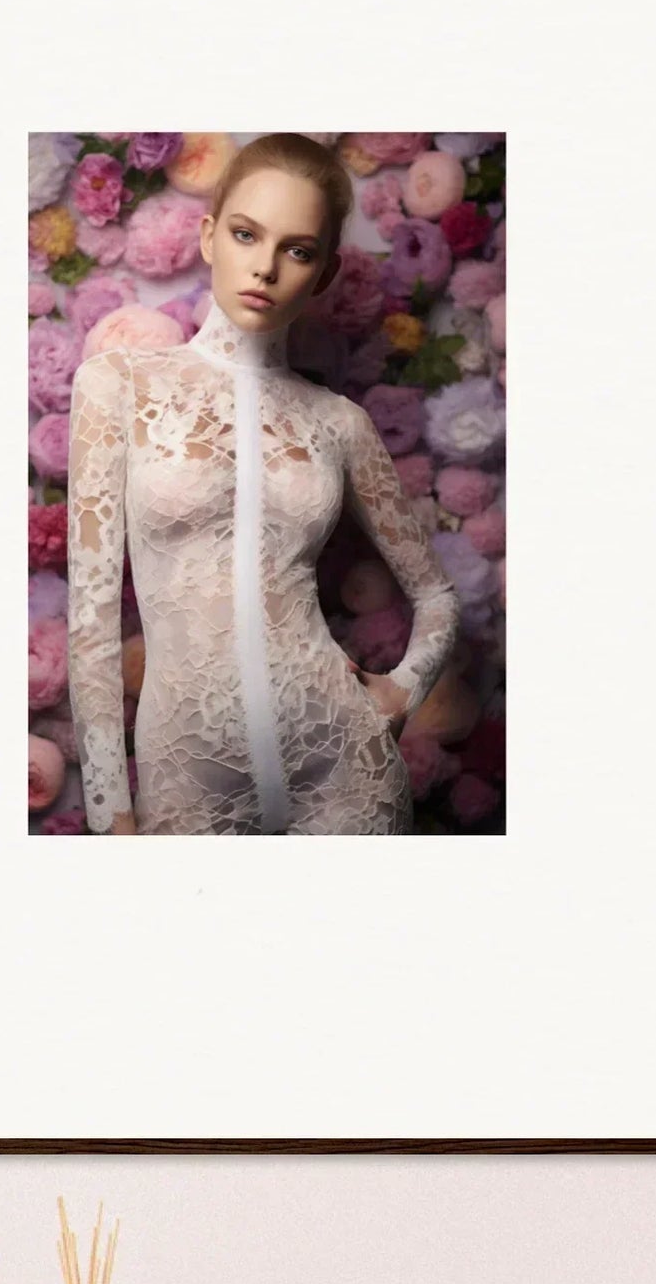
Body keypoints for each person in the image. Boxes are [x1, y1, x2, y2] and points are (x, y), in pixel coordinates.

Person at [65, 134, 461, 835]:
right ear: (210, 235)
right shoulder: (119, 386)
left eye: (298, 249)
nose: (267, 267)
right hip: (188, 774)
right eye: (248, 235)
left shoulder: (340, 423)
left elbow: (438, 594)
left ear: (326, 271)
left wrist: (403, 689)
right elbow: (92, 620)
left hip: (344, 763)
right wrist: (108, 813)